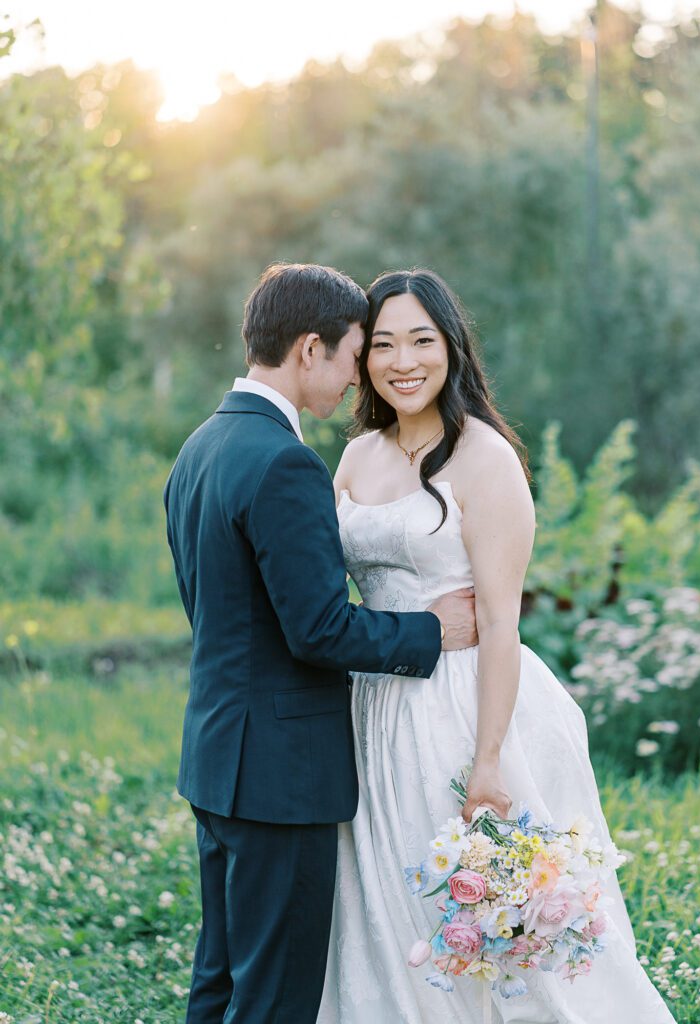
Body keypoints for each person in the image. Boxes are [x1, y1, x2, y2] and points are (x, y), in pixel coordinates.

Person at [318, 269, 676, 1023]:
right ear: (362, 359)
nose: (402, 360)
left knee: (487, 914)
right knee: (386, 901)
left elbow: (502, 623)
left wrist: (487, 760)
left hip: (463, 703)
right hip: (371, 708)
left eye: (421, 339)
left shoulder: (483, 457)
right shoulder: (356, 458)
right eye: (382, 344)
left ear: (452, 347)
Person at [163, 262, 478, 1024]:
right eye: (354, 352)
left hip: (217, 760)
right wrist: (430, 630)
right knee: (275, 998)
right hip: (280, 778)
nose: (357, 377)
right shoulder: (284, 462)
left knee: (222, 983)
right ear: (310, 349)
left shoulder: (201, 448)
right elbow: (317, 629)